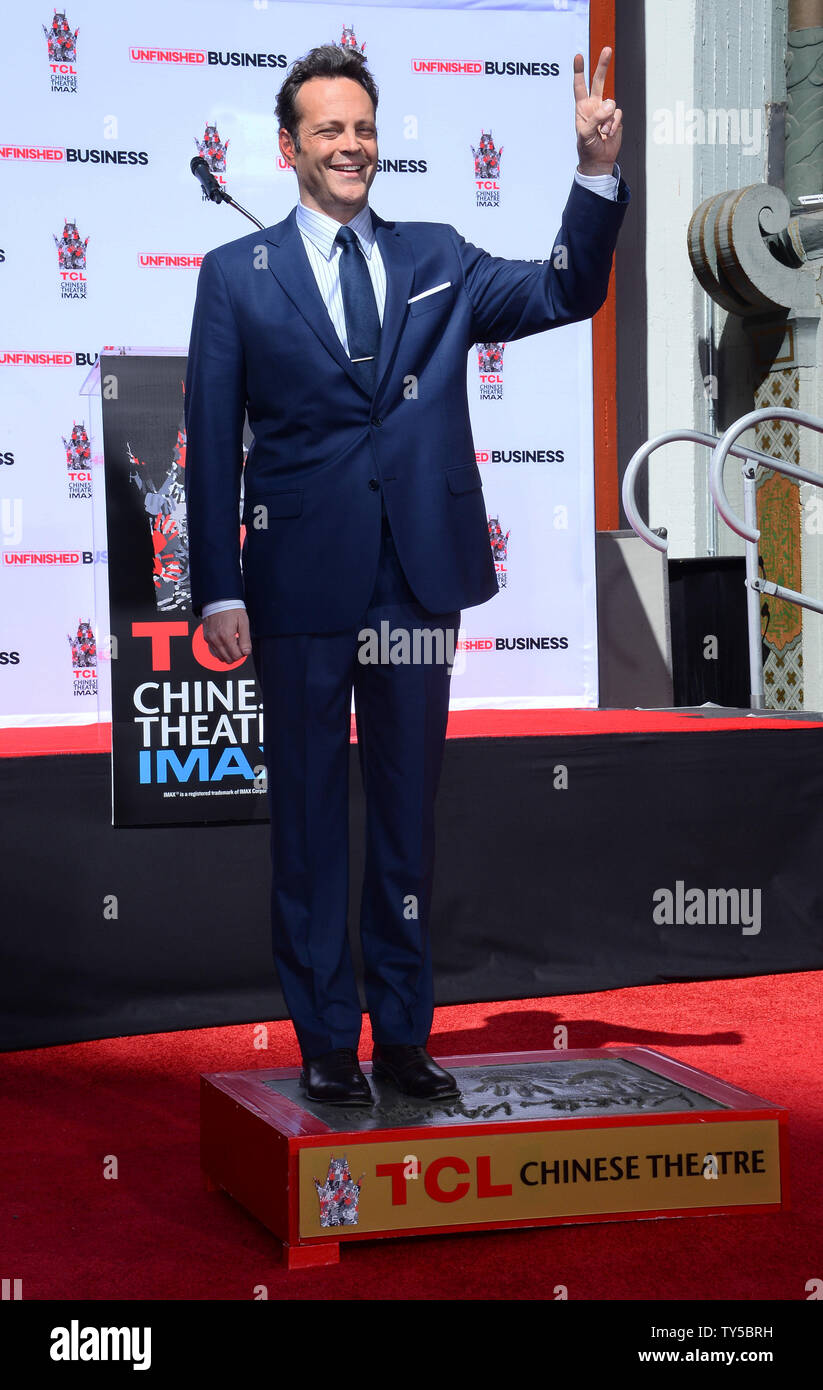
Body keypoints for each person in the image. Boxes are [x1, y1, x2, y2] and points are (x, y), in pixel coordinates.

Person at [184, 42, 628, 1106]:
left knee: (403, 821)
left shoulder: (439, 253)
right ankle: (326, 1039)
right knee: (306, 824)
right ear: (289, 148)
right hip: (294, 587)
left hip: (414, 585)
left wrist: (593, 175)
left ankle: (404, 1033)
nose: (351, 146)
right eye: (329, 130)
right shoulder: (233, 277)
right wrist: (219, 585)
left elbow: (563, 292)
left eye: (364, 128)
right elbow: (207, 434)